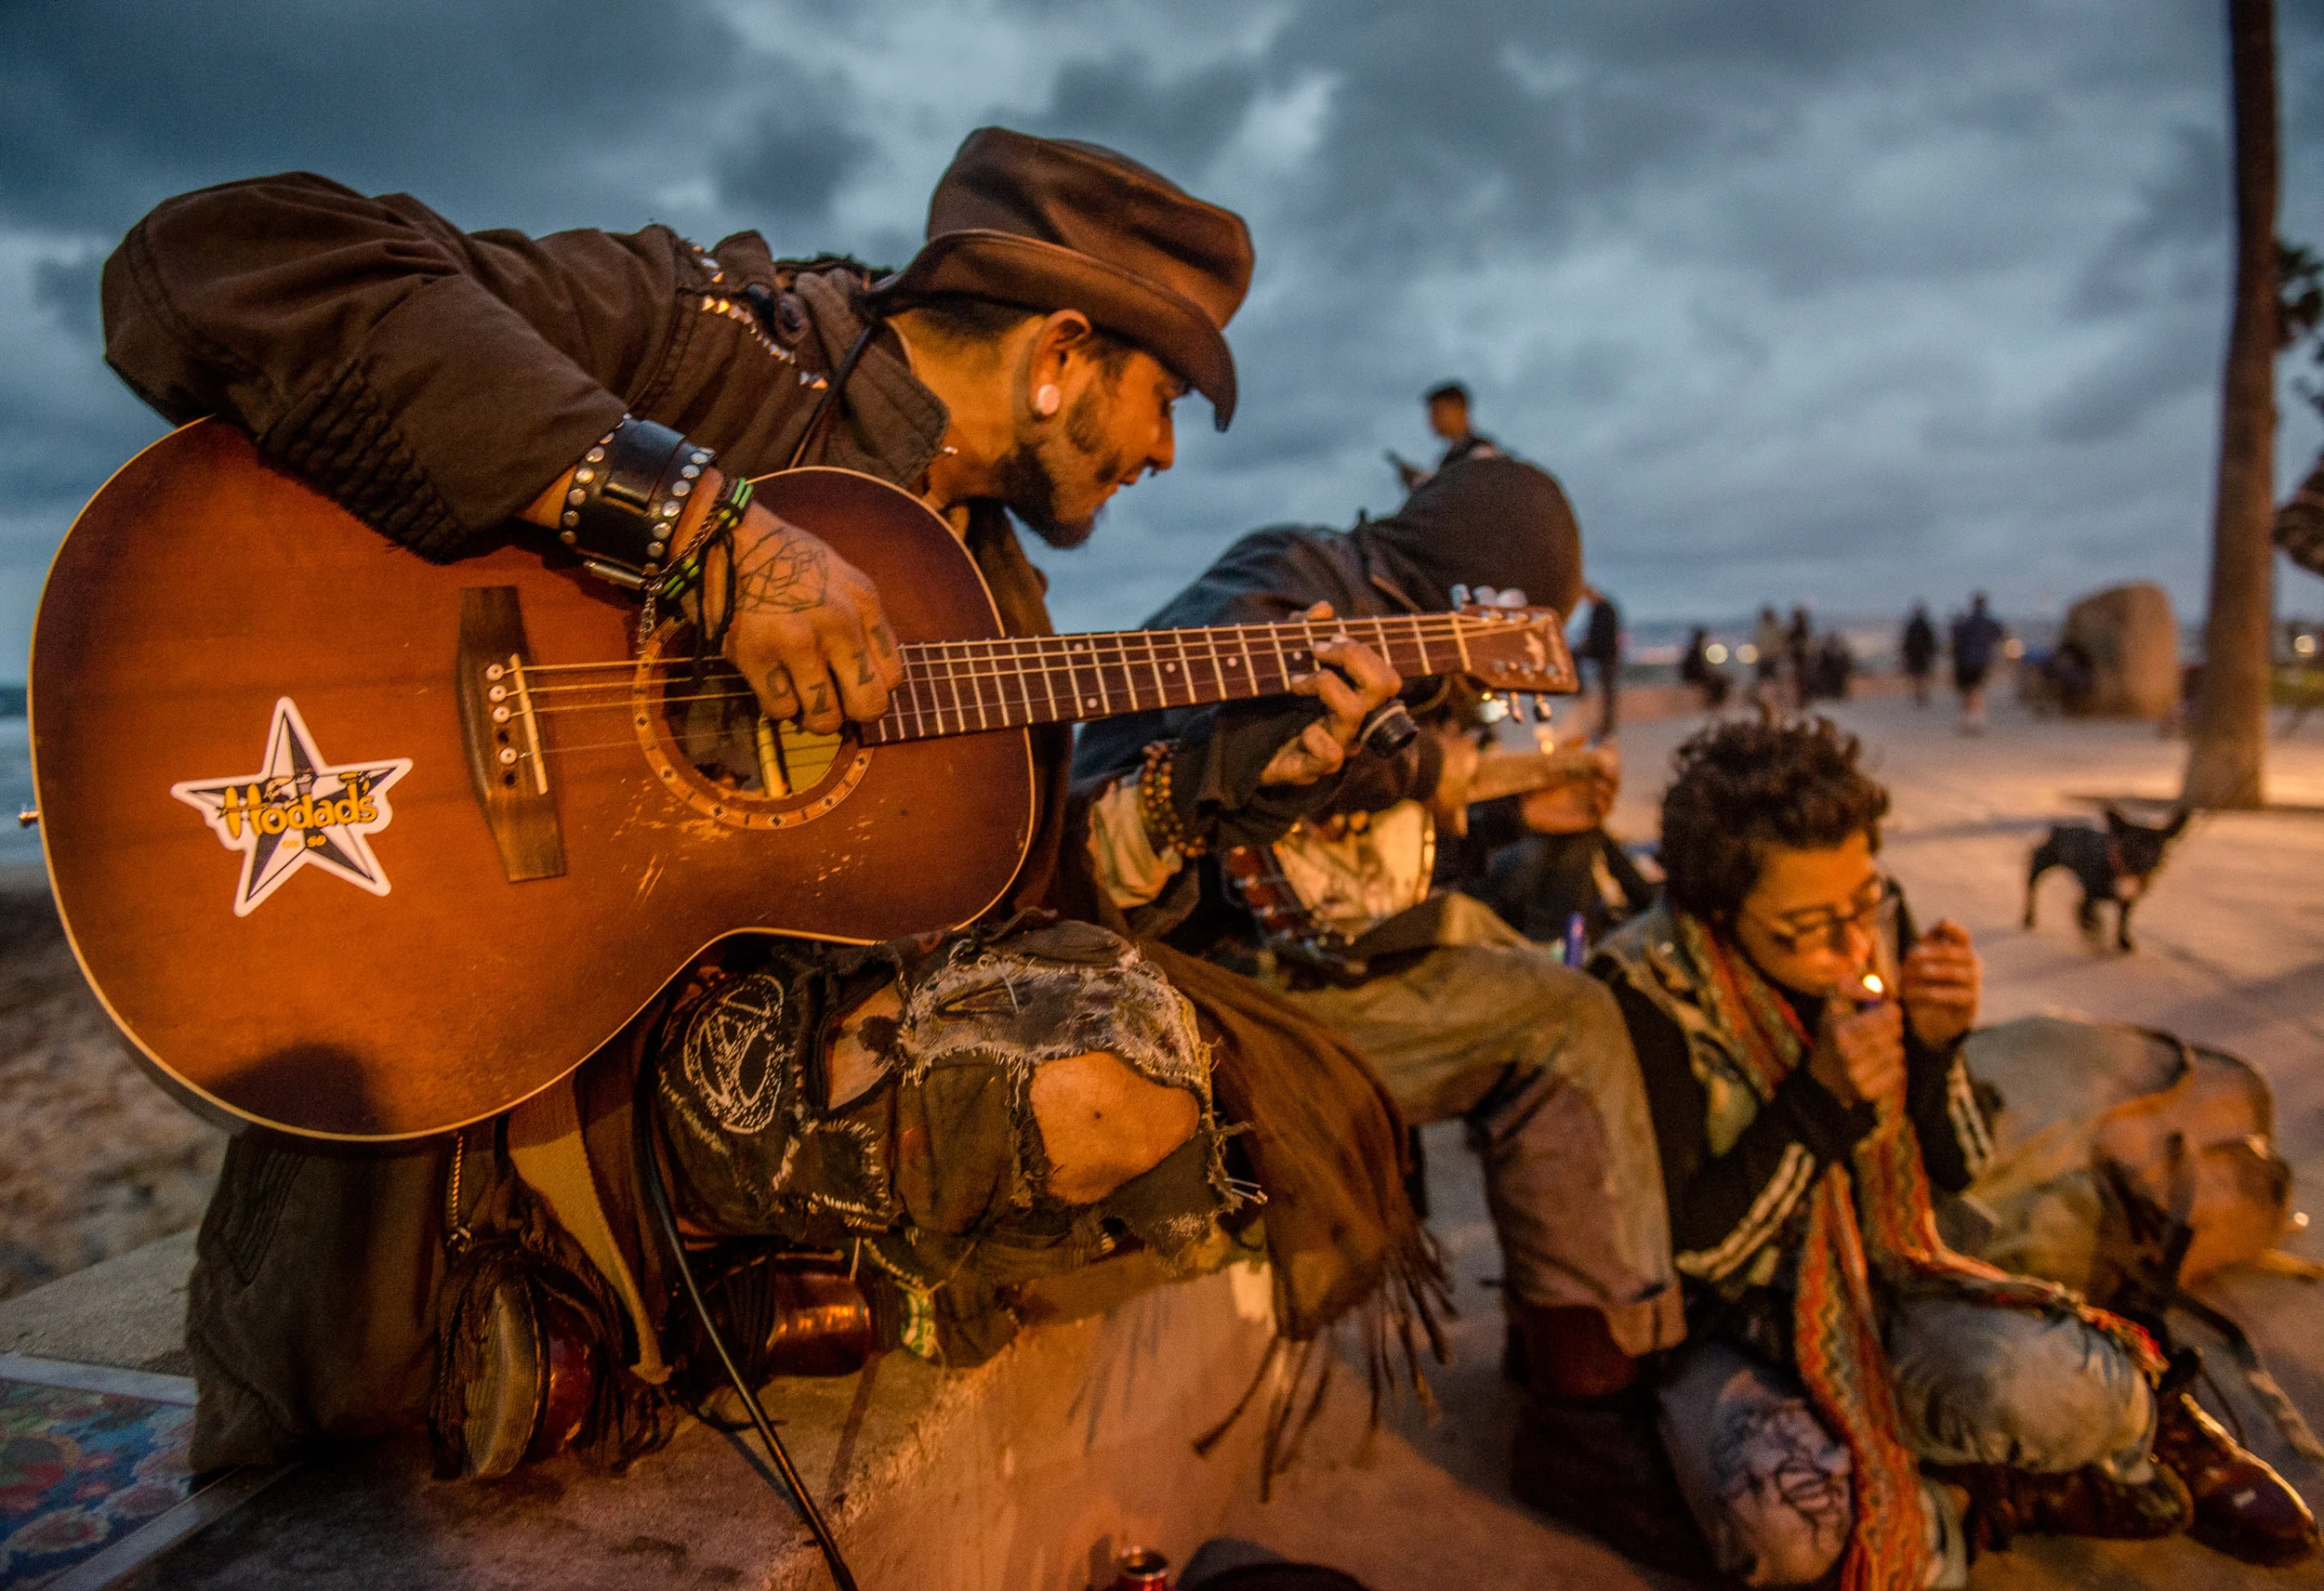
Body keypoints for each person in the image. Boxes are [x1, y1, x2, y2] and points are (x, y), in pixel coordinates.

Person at [101, 128, 1431, 1478]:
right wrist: (704, 533)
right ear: (1061, 359)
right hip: (451, 1077)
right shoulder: (713, 343)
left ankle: (743, 1292)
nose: (1161, 454)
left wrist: (1200, 789)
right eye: (1164, 400)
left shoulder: (997, 606)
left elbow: (999, 918)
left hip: (697, 1068)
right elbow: (221, 262)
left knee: (1133, 1064)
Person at [1072, 457, 1685, 1512]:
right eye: (1518, 631)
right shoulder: (1293, 580)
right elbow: (1241, 760)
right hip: (1193, 977)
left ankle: (1576, 1346)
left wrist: (1502, 815)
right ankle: (1584, 1421)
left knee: (1543, 965)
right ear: (1480, 597)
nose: (1496, 685)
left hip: (1273, 952)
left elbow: (1346, 846)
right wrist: (1444, 775)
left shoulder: (1357, 603)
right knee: (1567, 1018)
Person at [1588, 717, 2314, 1584]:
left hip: (1899, 1267)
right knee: (1793, 1525)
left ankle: (2091, 1440)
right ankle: (1988, 1496)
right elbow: (1695, 1258)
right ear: (1717, 906)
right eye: (1807, 928)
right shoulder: (1642, 992)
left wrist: (1936, 1051)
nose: (1856, 946)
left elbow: (1959, 1163)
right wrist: (1817, 1105)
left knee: (2064, 1384)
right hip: (1742, 1322)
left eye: (1862, 904)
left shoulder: (1881, 916)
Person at [1390, 380, 1502, 491]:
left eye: (1438, 412)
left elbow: (1462, 492)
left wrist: (1420, 481)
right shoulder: (1448, 459)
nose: (1432, 421)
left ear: (1459, 410)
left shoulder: (1482, 451)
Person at [1950, 592, 2006, 734]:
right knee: (1977, 689)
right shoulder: (1988, 622)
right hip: (1982, 661)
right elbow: (2001, 635)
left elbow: (1956, 640)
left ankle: (1968, 720)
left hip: (1965, 661)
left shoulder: (1966, 622)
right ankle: (1977, 720)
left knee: (1968, 691)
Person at [1575, 584, 1622, 741]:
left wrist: (1589, 645)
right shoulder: (1602, 608)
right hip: (1605, 653)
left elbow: (1602, 635)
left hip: (1607, 654)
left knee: (1608, 693)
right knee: (1608, 692)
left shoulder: (1604, 609)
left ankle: (1607, 726)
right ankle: (1579, 688)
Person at [1901, 603, 1938, 706]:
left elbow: (1907, 642)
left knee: (1918, 675)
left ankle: (1919, 693)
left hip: (1916, 655)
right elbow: (1931, 641)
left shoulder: (1914, 626)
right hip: (1921, 655)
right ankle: (1921, 693)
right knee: (1921, 675)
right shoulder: (1924, 625)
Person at [1751, 606, 1788, 708]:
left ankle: (1768, 702)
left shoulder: (1762, 630)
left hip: (1767, 659)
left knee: (1767, 683)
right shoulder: (1775, 630)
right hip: (1770, 659)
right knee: (1769, 682)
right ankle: (1768, 702)